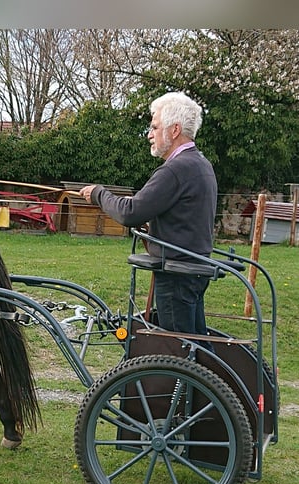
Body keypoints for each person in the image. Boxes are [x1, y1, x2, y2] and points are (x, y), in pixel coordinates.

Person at [79, 91, 217, 345]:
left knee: (179, 352)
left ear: (174, 130)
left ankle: (193, 386)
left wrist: (98, 194)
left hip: (177, 274)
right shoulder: (200, 164)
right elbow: (181, 217)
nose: (149, 134)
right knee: (196, 346)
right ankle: (208, 384)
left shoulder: (176, 169)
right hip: (193, 272)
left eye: (154, 127)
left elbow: (130, 213)